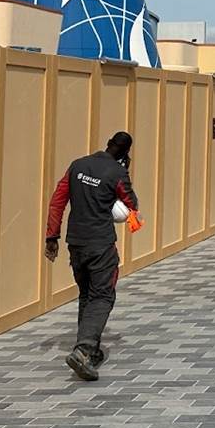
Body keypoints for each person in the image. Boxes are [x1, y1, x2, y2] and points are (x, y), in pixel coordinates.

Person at [45, 131, 140, 381]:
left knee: (87, 294)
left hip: (76, 243)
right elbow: (132, 204)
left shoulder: (77, 165)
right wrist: (123, 173)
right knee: (102, 296)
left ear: (108, 144)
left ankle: (90, 350)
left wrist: (51, 237)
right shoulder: (117, 172)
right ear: (125, 153)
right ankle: (84, 350)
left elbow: (57, 201)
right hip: (101, 245)